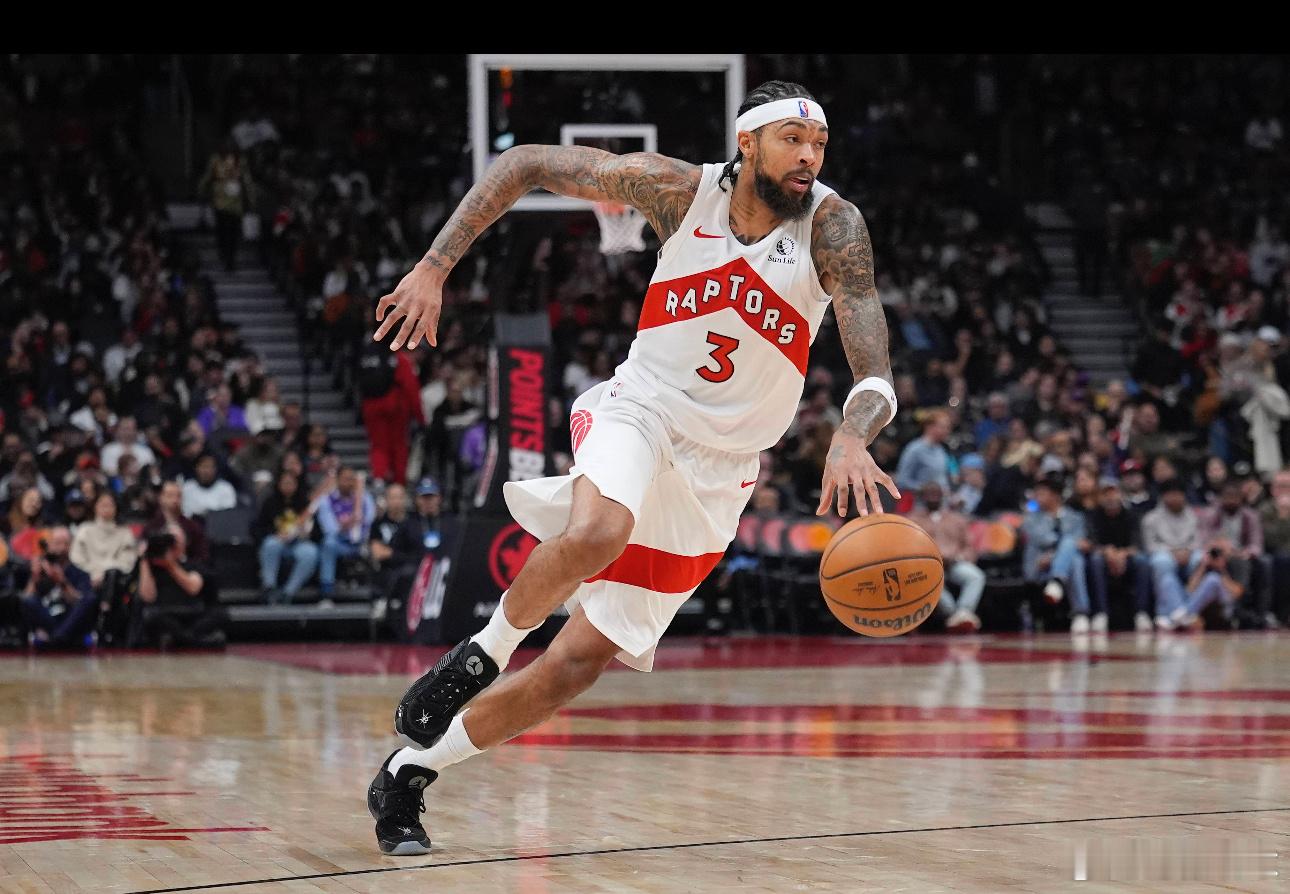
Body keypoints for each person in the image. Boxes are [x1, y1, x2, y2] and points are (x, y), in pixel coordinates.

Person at [363, 81, 900, 855]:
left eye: (818, 144)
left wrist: (853, 433)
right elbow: (524, 163)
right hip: (640, 409)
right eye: (792, 140)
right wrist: (433, 267)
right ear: (747, 143)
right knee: (598, 531)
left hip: (721, 471)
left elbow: (874, 369)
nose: (809, 157)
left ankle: (409, 772)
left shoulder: (832, 226)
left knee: (576, 665)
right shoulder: (678, 192)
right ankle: (480, 654)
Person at [906, 482, 986, 632]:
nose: (933, 497)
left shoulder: (956, 519)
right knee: (930, 582)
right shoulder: (912, 520)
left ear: (942, 496)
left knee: (976, 576)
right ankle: (957, 615)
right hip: (928, 567)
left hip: (955, 563)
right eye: (929, 494)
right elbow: (908, 548)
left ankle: (963, 611)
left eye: (936, 494)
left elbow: (969, 546)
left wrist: (958, 558)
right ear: (922, 497)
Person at [1021, 477, 1096, 632]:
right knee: (1070, 546)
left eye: (1041, 493)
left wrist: (1054, 557)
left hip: (1060, 564)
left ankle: (1057, 581)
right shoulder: (1031, 519)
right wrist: (1060, 552)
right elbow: (1045, 539)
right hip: (1040, 566)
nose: (1037, 498)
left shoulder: (1076, 517)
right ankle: (1080, 612)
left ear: (1055, 496)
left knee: (1075, 560)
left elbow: (1081, 541)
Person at [136, 526, 227, 648]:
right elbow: (147, 597)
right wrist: (144, 560)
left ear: (185, 541)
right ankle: (198, 641)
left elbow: (193, 588)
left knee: (219, 614)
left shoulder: (194, 563)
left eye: (176, 539)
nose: (173, 544)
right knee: (151, 616)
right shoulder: (153, 568)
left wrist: (170, 565)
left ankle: (180, 639)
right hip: (166, 613)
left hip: (193, 612)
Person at [1197, 480, 1271, 628]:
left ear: (1241, 498)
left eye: (1234, 497)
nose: (1231, 501)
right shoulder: (1210, 514)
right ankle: (1233, 610)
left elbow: (1256, 544)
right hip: (1217, 553)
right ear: (1221, 498)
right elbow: (1204, 540)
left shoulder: (1250, 516)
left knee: (1261, 563)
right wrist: (1221, 548)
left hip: (1242, 554)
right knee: (1203, 560)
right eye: (1227, 497)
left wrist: (1243, 552)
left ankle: (1260, 613)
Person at [359, 338, 425, 485]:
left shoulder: (368, 357)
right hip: (396, 407)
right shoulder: (400, 359)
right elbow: (412, 390)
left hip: (371, 406)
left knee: (378, 444)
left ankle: (379, 477)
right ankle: (399, 481)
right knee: (398, 445)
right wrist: (420, 418)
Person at [17, 527, 97, 647]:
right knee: (26, 600)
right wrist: (34, 578)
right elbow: (27, 598)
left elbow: (79, 603)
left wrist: (62, 582)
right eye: (57, 543)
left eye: (66, 543)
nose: (62, 548)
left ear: (71, 546)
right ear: (49, 545)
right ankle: (59, 638)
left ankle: (55, 638)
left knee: (89, 598)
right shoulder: (40, 569)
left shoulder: (80, 573)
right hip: (48, 617)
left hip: (69, 619)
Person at [1141, 479, 1202, 630]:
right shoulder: (1151, 518)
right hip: (1165, 553)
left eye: (1178, 494)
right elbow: (1150, 545)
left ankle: (1190, 609)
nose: (1175, 498)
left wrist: (1188, 551)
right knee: (1161, 562)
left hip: (1189, 553)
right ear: (1163, 497)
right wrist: (1172, 552)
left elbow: (1199, 540)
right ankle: (1173, 612)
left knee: (1200, 558)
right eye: (1171, 494)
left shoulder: (1194, 516)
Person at [1085, 478, 1144, 632]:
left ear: (1121, 495)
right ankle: (1101, 613)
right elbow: (1091, 544)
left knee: (1141, 561)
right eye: (1106, 494)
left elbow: (1138, 545)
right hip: (1103, 559)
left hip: (1127, 558)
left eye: (1114, 492)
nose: (1110, 497)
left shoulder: (1132, 515)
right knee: (1095, 560)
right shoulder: (1093, 516)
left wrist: (1122, 554)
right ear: (1100, 497)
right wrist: (1107, 551)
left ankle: (1141, 613)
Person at [254, 469, 321, 604]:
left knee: (310, 553)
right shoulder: (270, 502)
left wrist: (307, 533)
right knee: (270, 544)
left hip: (299, 542)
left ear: (296, 484)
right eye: (285, 483)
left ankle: (289, 591)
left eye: (291, 483)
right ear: (278, 484)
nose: (288, 487)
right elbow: (258, 528)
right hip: (278, 541)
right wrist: (275, 533)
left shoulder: (305, 503)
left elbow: (318, 531)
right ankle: (269, 586)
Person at [316, 466, 376, 599]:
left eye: (351, 479)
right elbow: (330, 529)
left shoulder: (365, 498)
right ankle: (327, 590)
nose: (349, 483)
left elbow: (371, 521)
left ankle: (377, 592)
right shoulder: (327, 500)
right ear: (337, 480)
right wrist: (346, 524)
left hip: (362, 543)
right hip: (341, 543)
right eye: (345, 479)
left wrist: (360, 526)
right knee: (328, 543)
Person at [70, 492, 137, 593]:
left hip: (116, 582)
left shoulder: (125, 533)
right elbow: (76, 558)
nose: (106, 509)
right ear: (95, 507)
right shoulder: (84, 530)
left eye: (110, 505)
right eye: (103, 505)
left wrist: (105, 573)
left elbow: (127, 562)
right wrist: (94, 572)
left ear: (116, 508)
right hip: (87, 579)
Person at [151, 480, 210, 565]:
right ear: (161, 498)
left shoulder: (193, 527)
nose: (175, 500)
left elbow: (203, 557)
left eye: (178, 496)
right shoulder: (152, 527)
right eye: (170, 496)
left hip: (187, 568)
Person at [894, 409, 952, 494]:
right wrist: (924, 488)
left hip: (941, 501)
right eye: (943, 427)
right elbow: (901, 480)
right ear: (929, 427)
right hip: (918, 500)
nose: (947, 431)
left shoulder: (941, 450)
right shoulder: (914, 449)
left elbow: (943, 480)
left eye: (948, 428)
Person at [1259, 468, 1290, 623]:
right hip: (1275, 553)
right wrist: (1283, 516)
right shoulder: (1265, 509)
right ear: (1273, 489)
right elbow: (1270, 539)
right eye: (1281, 486)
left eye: (1287, 486)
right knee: (1283, 560)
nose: (1284, 491)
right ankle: (1283, 614)